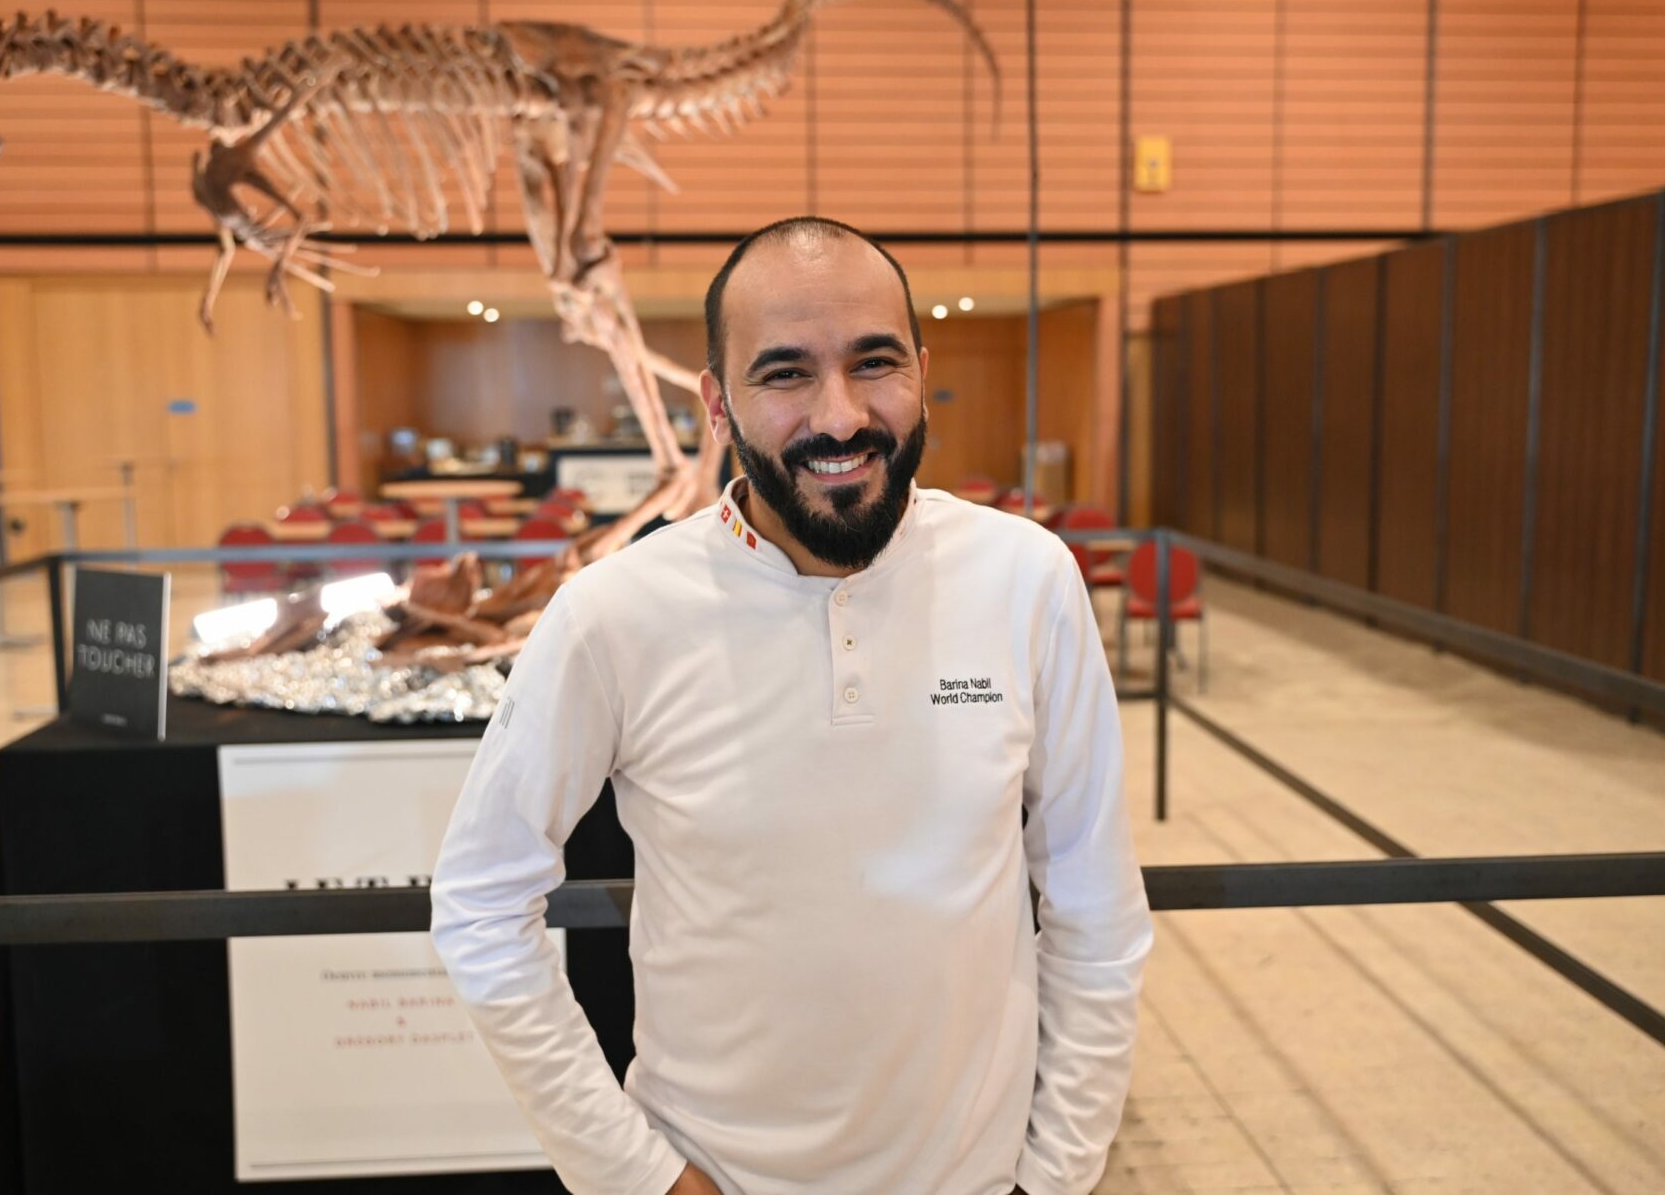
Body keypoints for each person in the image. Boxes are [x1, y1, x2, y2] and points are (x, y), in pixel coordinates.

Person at [432, 217, 1153, 1195]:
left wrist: (1057, 1174)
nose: (842, 414)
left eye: (875, 362)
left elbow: (1095, 902)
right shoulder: (614, 614)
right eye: (784, 374)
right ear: (718, 405)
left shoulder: (1026, 579)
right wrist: (632, 1175)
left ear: (922, 371)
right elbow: (480, 901)